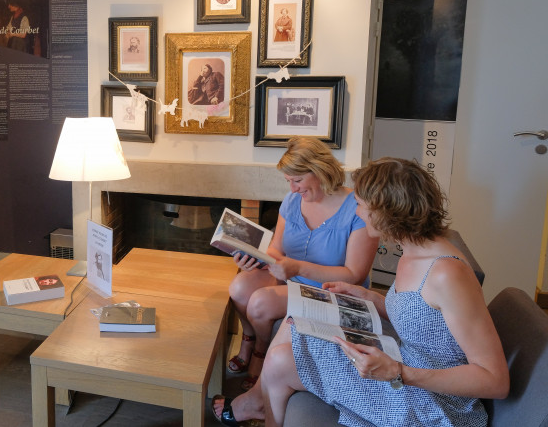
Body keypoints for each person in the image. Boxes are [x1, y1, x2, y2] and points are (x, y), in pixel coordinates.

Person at [216, 158, 509, 427]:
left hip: (430, 403)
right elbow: (427, 316)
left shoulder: (448, 273)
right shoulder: (413, 251)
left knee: (281, 362)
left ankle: (260, 406)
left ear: (386, 212)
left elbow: (495, 380)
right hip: (402, 364)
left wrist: (398, 372)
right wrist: (371, 299)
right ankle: (261, 405)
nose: (356, 212)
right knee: (296, 319)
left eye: (360, 204)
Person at [224, 136, 377, 393]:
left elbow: (354, 274)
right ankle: (249, 338)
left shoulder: (357, 209)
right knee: (240, 286)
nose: (293, 189)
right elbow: (276, 249)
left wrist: (297, 268)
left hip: (331, 289)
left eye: (298, 180)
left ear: (320, 171)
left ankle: (260, 351)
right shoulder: (293, 201)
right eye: (289, 182)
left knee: (260, 302)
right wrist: (255, 257)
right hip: (290, 276)